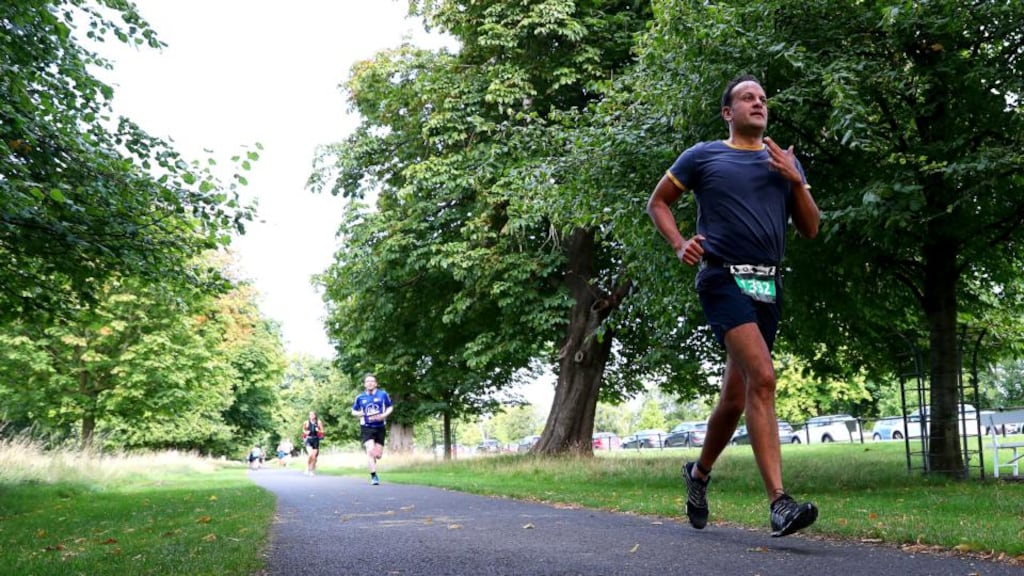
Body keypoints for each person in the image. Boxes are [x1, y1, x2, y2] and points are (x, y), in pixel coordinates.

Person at [646, 73, 821, 537]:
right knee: (763, 378)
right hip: (722, 276)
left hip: (768, 285)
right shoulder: (704, 156)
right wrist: (680, 242)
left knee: (736, 397)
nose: (758, 103)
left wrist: (796, 181)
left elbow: (811, 228)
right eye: (748, 98)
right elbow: (658, 202)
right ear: (729, 112)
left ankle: (698, 474)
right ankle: (779, 503)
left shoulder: (782, 161)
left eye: (763, 98)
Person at [351, 373, 393, 485]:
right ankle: (374, 476)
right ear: (364, 384)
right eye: (367, 381)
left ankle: (373, 460)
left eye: (372, 381)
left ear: (376, 383)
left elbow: (390, 406)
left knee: (377, 455)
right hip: (366, 427)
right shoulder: (360, 397)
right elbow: (353, 411)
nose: (369, 383)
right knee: (370, 450)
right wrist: (360, 413)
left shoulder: (383, 394)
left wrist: (384, 415)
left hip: (380, 427)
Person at [302, 411, 324, 476]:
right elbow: (303, 429)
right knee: (310, 454)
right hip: (308, 439)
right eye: (310, 415)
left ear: (315, 415)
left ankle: (312, 470)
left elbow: (322, 431)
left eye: (312, 415)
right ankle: (307, 467)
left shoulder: (318, 422)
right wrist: (306, 432)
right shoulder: (306, 422)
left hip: (316, 439)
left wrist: (318, 430)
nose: (311, 416)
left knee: (314, 457)